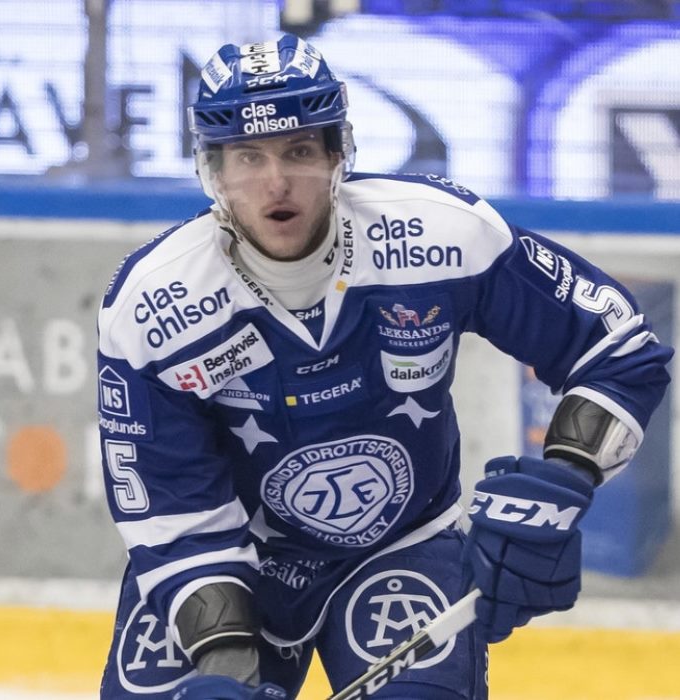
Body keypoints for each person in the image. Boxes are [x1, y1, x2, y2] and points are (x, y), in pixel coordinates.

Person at [97, 34, 672, 700]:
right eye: (248, 156)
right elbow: (171, 505)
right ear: (213, 171)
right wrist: (224, 662)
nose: (276, 183)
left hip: (404, 540)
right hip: (233, 556)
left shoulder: (439, 233)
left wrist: (566, 478)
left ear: (338, 153)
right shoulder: (154, 306)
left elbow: (616, 347)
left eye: (299, 151)